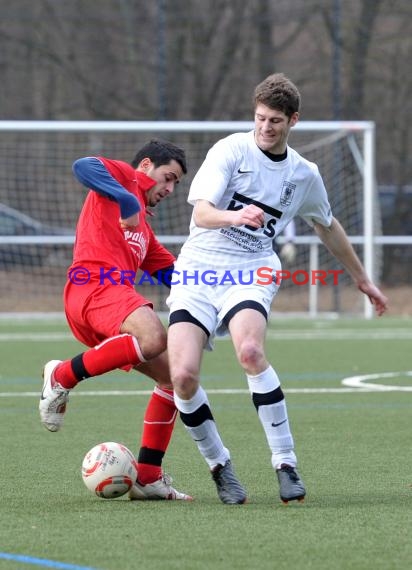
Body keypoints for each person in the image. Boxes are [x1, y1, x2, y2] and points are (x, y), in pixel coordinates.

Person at [166, 73, 388, 505]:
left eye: (275, 121)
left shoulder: (304, 174)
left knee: (250, 351)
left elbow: (327, 225)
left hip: (252, 268)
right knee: (183, 376)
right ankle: (219, 465)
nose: (265, 128)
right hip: (199, 268)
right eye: (260, 118)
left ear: (293, 121)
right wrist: (237, 216)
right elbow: (205, 213)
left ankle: (285, 462)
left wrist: (362, 279)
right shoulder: (230, 149)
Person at [39, 139, 192, 501]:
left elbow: (175, 275)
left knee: (175, 379)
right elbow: (83, 165)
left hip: (109, 305)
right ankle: (60, 376)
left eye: (176, 184)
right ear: (145, 168)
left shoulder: (145, 233)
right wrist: (125, 199)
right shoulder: (124, 179)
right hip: (91, 288)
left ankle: (149, 478)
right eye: (167, 178)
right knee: (155, 336)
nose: (169, 189)